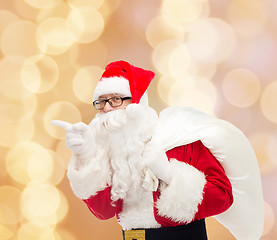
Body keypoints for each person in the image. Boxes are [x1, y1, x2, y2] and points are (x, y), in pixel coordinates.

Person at [52, 60, 264, 240]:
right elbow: (103, 211)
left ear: (137, 103)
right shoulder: (110, 153)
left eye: (115, 99)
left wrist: (170, 175)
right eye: (101, 102)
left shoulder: (179, 139)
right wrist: (86, 156)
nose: (106, 108)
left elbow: (222, 197)